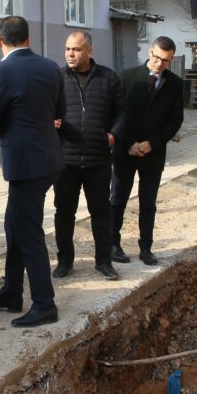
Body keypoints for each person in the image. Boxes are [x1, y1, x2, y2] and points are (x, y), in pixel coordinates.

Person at [0, 17, 66, 327]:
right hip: (49, 160)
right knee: (15, 226)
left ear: (0, 41)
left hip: (26, 166)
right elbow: (59, 112)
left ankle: (45, 303)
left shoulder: (1, 71)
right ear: (28, 38)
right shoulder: (51, 67)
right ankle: (11, 292)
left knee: (28, 233)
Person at [53, 30, 124, 282]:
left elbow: (122, 112)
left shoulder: (108, 78)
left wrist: (113, 135)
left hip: (98, 159)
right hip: (65, 160)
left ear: (89, 51)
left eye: (77, 49)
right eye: (68, 49)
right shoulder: (57, 78)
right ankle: (64, 261)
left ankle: (104, 262)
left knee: (101, 212)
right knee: (64, 212)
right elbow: (47, 110)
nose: (71, 54)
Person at [110, 36, 184, 267]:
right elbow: (116, 114)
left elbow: (175, 120)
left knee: (148, 202)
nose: (159, 63)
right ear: (149, 51)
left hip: (153, 153)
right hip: (125, 151)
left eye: (165, 60)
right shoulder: (126, 77)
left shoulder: (176, 84)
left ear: (171, 60)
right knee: (118, 199)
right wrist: (129, 142)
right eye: (156, 57)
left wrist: (152, 143)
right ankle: (113, 244)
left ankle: (146, 248)